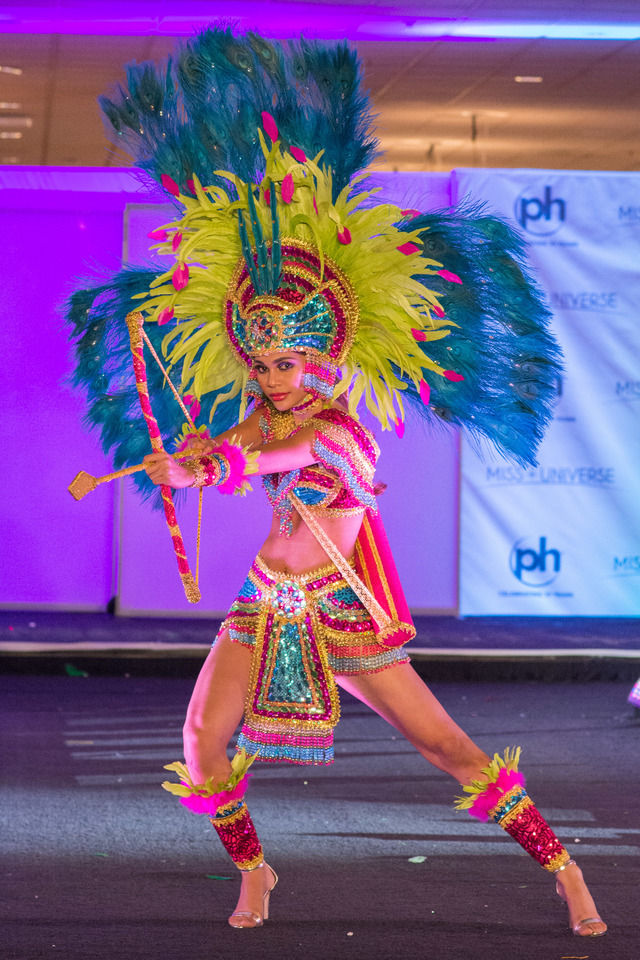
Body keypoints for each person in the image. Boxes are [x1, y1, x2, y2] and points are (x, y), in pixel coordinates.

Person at [67, 23, 605, 939]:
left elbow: (268, 461)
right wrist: (184, 455)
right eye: (262, 362)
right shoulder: (266, 416)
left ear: (321, 358)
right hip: (267, 601)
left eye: (287, 362)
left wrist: (221, 459)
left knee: (445, 745)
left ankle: (567, 871)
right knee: (200, 743)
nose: (273, 378)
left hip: (342, 615)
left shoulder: (341, 432)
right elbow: (231, 448)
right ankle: (257, 871)